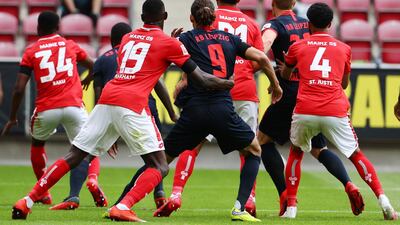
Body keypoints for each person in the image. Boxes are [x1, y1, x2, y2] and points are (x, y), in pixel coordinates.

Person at [10, 0, 234, 222]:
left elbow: (145, 57)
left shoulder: (128, 38)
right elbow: (202, 79)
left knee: (74, 156)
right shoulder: (169, 43)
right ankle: (123, 206)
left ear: (143, 18)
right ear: (164, 17)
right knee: (160, 166)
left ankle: (27, 201)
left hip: (107, 99)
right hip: (134, 103)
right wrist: (227, 83)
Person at [110, 0, 282, 222]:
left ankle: (123, 202)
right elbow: (260, 57)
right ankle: (240, 207)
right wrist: (275, 85)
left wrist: (175, 49)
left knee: (159, 161)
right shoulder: (229, 39)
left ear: (192, 18)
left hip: (194, 111)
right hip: (222, 109)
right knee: (254, 150)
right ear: (213, 17)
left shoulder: (186, 39)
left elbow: (160, 54)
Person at [281, 3, 398, 220]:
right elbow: (344, 84)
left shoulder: (298, 46)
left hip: (305, 108)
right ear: (330, 24)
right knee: (355, 154)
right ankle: (384, 201)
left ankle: (291, 209)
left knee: (297, 151)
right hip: (334, 109)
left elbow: (286, 75)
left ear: (308, 24)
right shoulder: (344, 48)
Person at [153, 0, 263, 217]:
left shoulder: (206, 19)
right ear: (239, 1)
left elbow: (193, 57)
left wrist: (185, 79)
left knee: (192, 145)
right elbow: (260, 59)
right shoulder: (250, 23)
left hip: (205, 94)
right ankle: (248, 201)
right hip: (242, 89)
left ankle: (176, 193)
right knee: (250, 148)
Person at [260, 0, 358, 216]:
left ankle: (285, 195)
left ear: (273, 3)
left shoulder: (273, 25)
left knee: (262, 142)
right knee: (318, 149)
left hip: (288, 94)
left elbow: (265, 44)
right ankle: (348, 183)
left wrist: (260, 65)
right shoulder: (309, 24)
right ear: (294, 3)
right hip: (311, 92)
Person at [2, 11, 107, 209]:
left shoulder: (31, 51)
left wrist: (13, 116)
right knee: (87, 148)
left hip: (46, 109)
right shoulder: (70, 45)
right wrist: (88, 78)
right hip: (75, 107)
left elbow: (18, 88)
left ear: (37, 28)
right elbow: (96, 66)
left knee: (37, 144)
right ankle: (91, 180)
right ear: (58, 27)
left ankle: (44, 194)